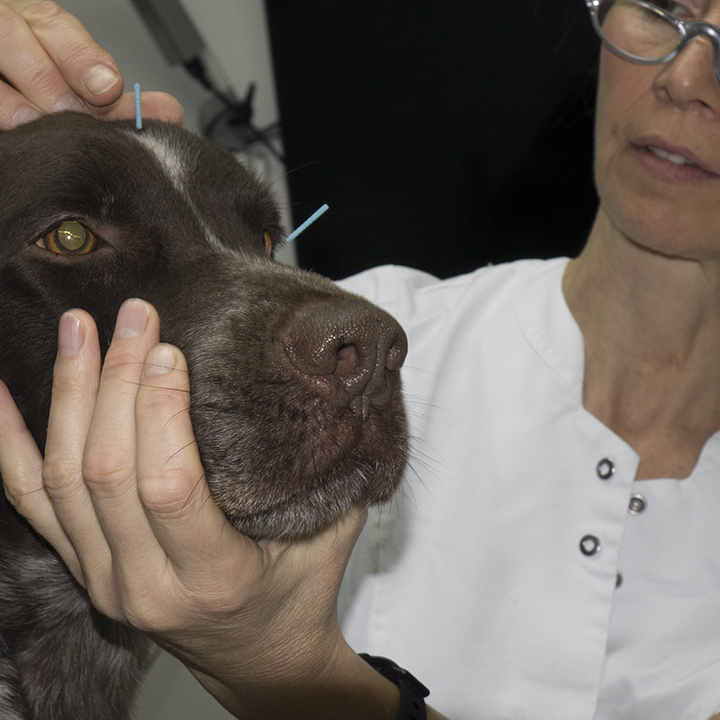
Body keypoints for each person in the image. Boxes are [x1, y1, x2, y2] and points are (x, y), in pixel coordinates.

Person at [1, 1, 720, 718]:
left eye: (255, 246)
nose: (688, 76)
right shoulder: (371, 337)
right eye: (664, 6)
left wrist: (287, 666)